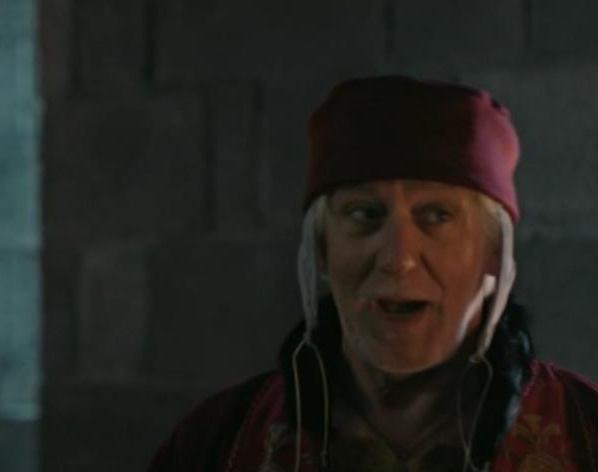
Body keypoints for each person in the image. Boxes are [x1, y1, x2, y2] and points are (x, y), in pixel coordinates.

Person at [148, 76, 598, 471]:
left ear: (494, 254)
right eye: (364, 214)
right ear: (322, 247)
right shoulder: (219, 441)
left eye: (437, 216)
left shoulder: (585, 432)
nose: (398, 258)